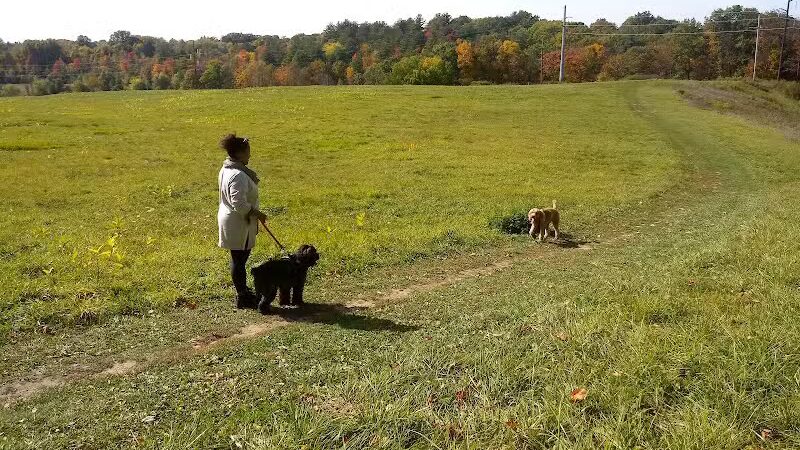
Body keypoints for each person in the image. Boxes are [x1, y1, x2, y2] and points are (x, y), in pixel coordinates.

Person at [217, 133, 268, 308]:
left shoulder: (227, 168)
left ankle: (243, 292)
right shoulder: (238, 175)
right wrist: (257, 213)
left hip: (234, 221)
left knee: (238, 259)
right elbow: (238, 203)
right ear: (239, 154)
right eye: (248, 152)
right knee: (238, 261)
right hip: (238, 222)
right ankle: (242, 296)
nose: (250, 155)